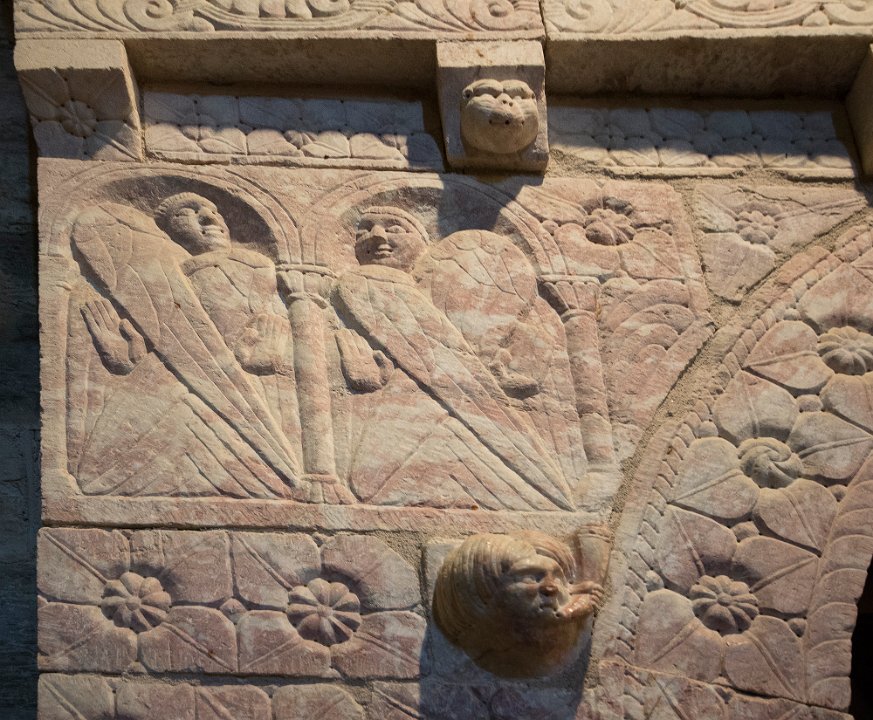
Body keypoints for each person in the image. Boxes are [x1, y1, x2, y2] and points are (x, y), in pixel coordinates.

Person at [433, 531, 604, 677]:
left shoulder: (566, 634)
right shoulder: (482, 640)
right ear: (484, 592)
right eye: (530, 577)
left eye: (557, 577)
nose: (550, 588)